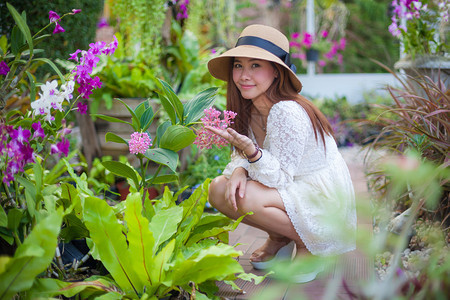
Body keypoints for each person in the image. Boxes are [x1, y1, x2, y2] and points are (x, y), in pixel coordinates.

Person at [206, 24, 356, 282]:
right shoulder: (251, 107)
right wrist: (241, 168)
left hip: (320, 194)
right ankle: (280, 237)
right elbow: (244, 158)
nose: (243, 75)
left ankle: (310, 245)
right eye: (238, 65)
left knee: (246, 196)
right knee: (220, 189)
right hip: (292, 189)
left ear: (276, 72)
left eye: (255, 65)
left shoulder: (286, 110)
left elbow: (281, 178)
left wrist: (251, 153)